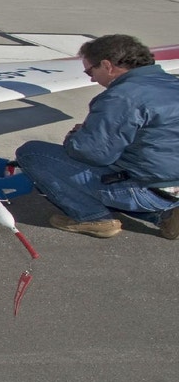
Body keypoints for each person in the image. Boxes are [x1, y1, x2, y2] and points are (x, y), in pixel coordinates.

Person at [16, 34, 179, 239]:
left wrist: (76, 135)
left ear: (107, 65)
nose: (92, 78)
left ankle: (93, 217)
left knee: (33, 153)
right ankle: (164, 214)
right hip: (172, 184)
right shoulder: (172, 83)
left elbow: (93, 153)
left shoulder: (121, 96)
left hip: (146, 189)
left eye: (90, 71)